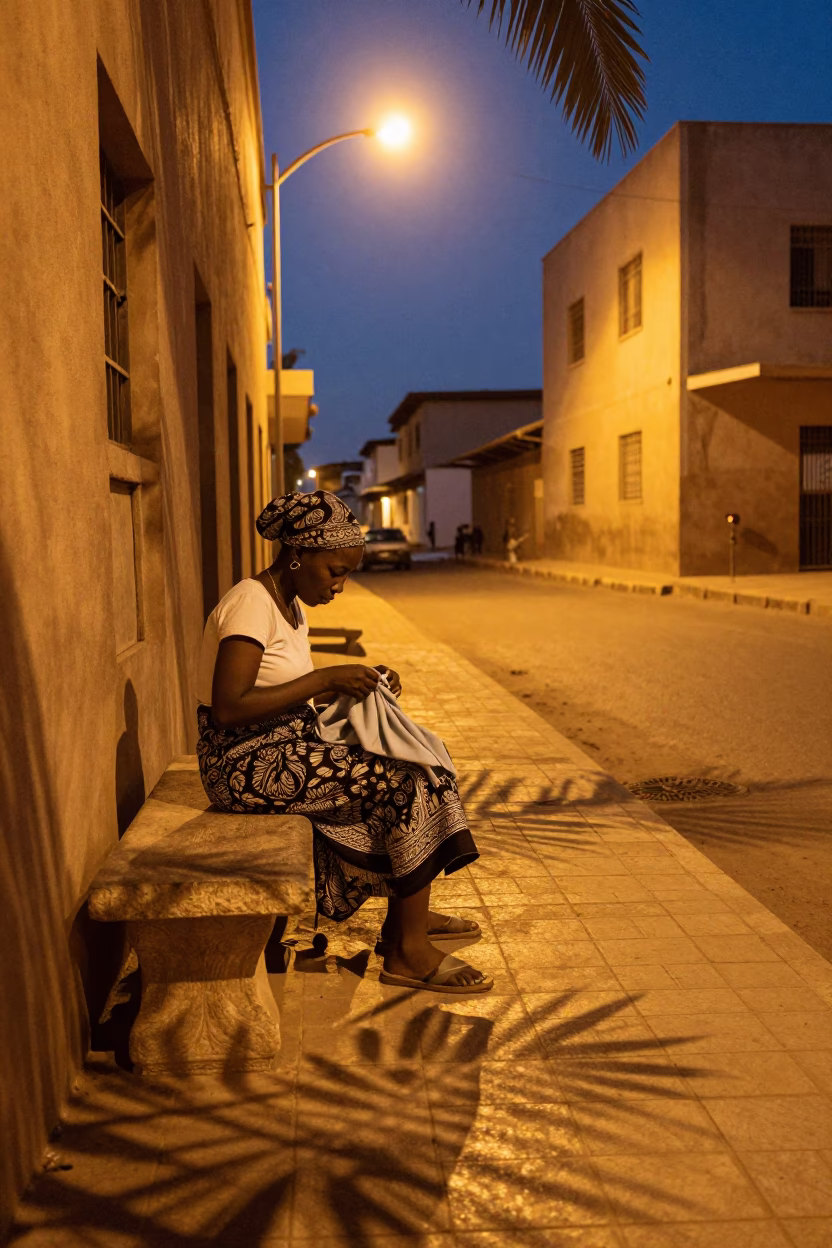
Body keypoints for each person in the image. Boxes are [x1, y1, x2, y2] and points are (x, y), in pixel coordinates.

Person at [196, 490, 490, 994]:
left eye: (347, 573)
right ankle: (407, 949)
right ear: (297, 555)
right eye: (335, 571)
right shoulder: (250, 603)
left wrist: (362, 682)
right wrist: (326, 679)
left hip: (281, 751)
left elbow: (284, 694)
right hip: (243, 765)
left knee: (412, 764)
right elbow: (229, 707)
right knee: (406, 778)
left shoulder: (287, 605)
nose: (340, 585)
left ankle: (406, 921)